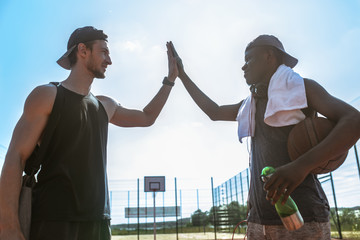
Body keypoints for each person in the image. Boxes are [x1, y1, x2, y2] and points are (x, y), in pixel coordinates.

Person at [169, 35, 360, 239]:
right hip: (259, 218)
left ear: (270, 57)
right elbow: (214, 111)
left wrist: (300, 166)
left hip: (304, 215)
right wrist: (182, 75)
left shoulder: (302, 88)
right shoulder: (250, 104)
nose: (243, 67)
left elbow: (354, 120)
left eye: (249, 59)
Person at [0, 26, 178, 240]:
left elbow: (147, 117)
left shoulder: (105, 105)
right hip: (53, 221)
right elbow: (15, 158)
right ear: (82, 50)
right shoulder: (47, 96)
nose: (109, 60)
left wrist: (170, 79)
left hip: (99, 223)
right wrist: (8, 227)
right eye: (104, 52)